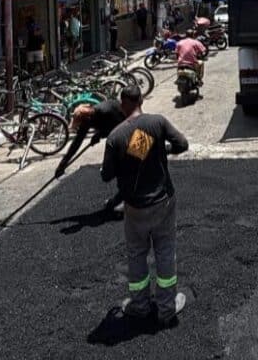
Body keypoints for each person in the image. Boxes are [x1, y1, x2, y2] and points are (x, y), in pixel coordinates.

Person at [101, 86, 189, 327]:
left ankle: (139, 305)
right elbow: (182, 144)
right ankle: (166, 308)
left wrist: (122, 161)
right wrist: (164, 149)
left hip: (134, 207)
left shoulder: (115, 136)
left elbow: (106, 175)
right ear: (142, 100)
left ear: (122, 105)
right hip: (163, 202)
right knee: (165, 252)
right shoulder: (156, 122)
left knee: (137, 254)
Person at [55, 99, 127, 209]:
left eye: (81, 124)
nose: (81, 127)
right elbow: (77, 142)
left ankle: (125, 199)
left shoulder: (105, 111)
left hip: (127, 131)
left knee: (121, 168)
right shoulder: (88, 119)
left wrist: (100, 134)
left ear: (88, 118)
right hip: (115, 134)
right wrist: (63, 164)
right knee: (110, 173)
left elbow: (119, 127)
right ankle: (123, 196)